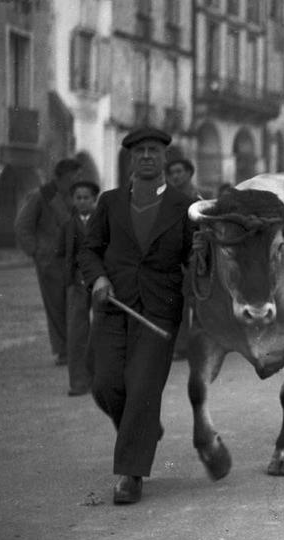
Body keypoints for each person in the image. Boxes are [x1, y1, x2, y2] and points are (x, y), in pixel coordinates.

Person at [78, 127, 197, 504]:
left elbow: (193, 260)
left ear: (164, 158)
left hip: (159, 312)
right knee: (105, 384)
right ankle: (143, 430)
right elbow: (89, 250)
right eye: (139, 151)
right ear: (131, 159)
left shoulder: (184, 207)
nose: (147, 156)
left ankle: (131, 474)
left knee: (143, 388)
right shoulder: (110, 203)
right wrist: (97, 278)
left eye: (154, 150)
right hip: (114, 305)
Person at [15, 158, 82, 365]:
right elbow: (22, 225)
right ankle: (63, 351)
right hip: (49, 261)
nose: (77, 180)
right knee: (56, 306)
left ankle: (75, 348)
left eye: (78, 176)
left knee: (75, 304)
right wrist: (35, 252)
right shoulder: (41, 196)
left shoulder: (75, 197)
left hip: (73, 258)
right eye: (73, 176)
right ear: (60, 177)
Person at [164, 156, 204, 361]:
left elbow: (204, 229)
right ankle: (180, 346)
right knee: (177, 302)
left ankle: (197, 345)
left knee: (197, 302)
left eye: (180, 171)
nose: (176, 176)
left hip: (195, 257)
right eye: (172, 173)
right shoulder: (168, 200)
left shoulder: (198, 200)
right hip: (174, 258)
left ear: (189, 173)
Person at [64, 180, 100, 397]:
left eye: (86, 197)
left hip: (100, 281)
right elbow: (63, 253)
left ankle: (99, 379)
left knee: (101, 329)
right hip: (77, 284)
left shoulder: (102, 221)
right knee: (77, 331)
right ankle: (78, 381)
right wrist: (70, 277)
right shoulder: (69, 225)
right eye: (78, 197)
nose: (82, 201)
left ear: (94, 199)